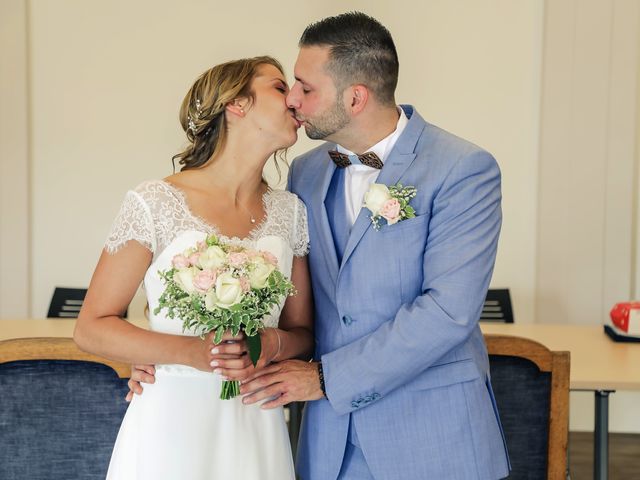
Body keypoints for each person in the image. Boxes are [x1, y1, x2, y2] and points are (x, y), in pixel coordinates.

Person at [131, 11, 510, 480]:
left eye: (306, 88)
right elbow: (291, 311)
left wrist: (327, 378)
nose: (294, 99)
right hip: (328, 444)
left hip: (430, 435)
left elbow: (449, 312)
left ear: (355, 97)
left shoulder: (462, 168)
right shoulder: (305, 175)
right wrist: (165, 356)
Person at [73, 56, 313, 480]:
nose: (294, 98)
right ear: (236, 104)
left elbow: (304, 335)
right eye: (279, 87)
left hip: (255, 423)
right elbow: (91, 327)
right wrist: (192, 354)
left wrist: (267, 345)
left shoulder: (290, 212)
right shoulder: (154, 202)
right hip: (170, 422)